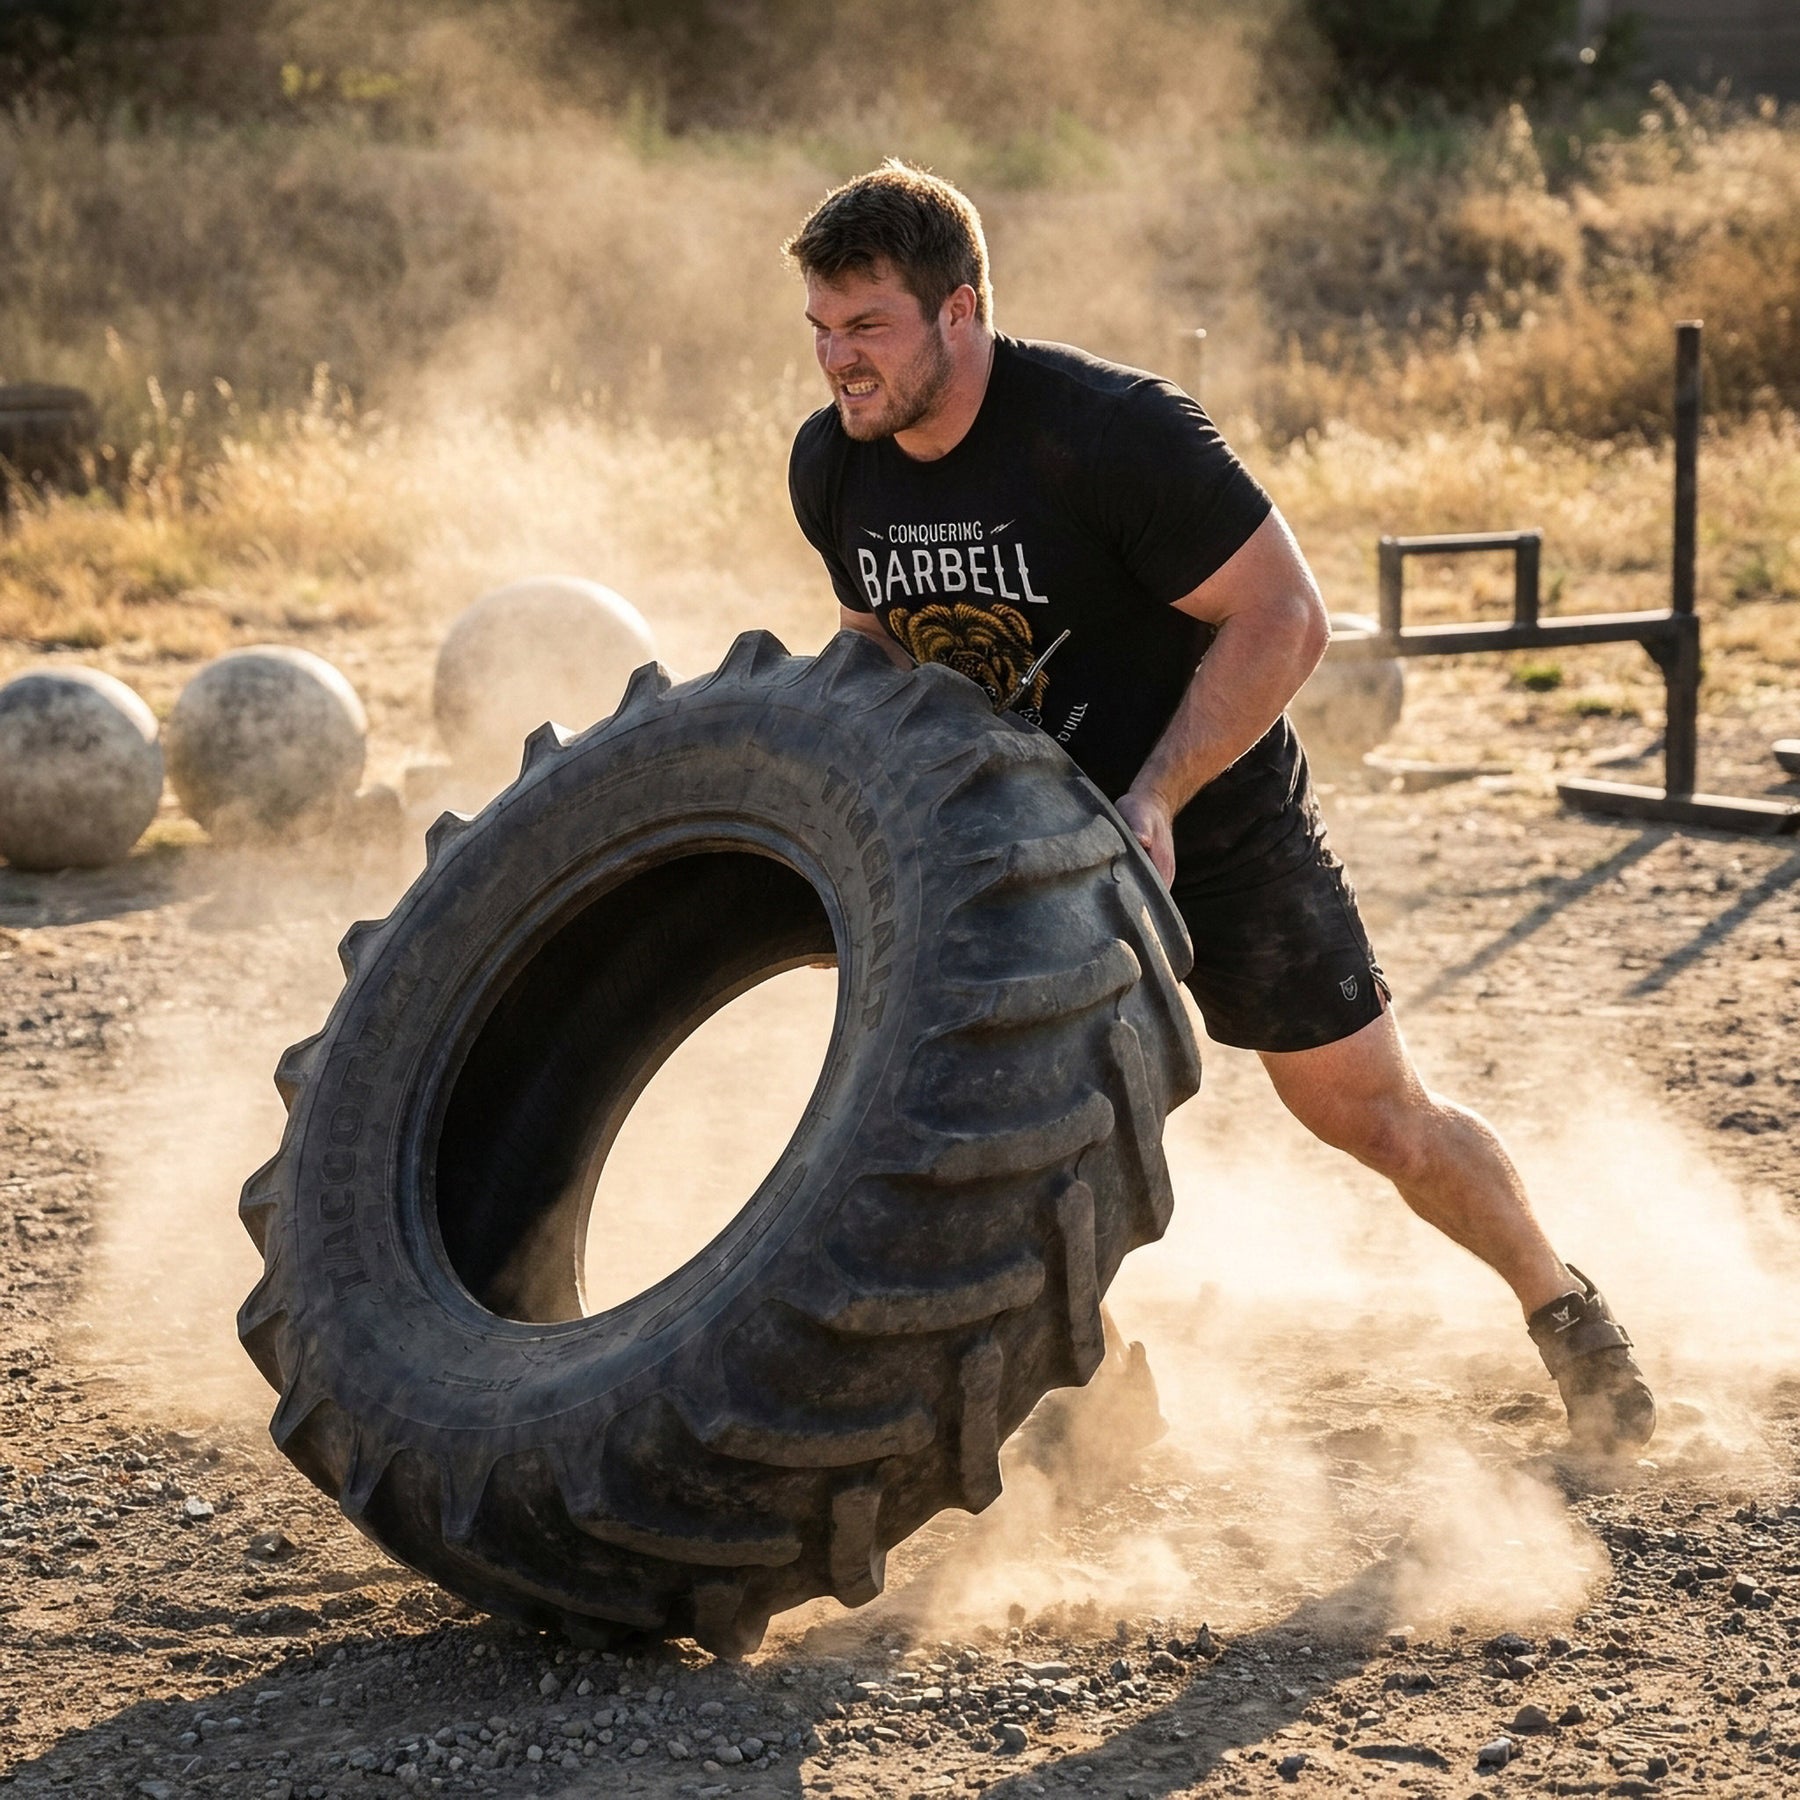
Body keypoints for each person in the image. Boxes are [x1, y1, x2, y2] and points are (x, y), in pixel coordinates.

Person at [781, 160, 1655, 1456]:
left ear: (959, 310)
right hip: (1019, 847)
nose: (837, 361)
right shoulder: (837, 465)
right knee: (989, 1141)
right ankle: (1099, 1393)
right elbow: (877, 651)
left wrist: (1158, 794)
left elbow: (1285, 615)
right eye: (820, 329)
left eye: (866, 326)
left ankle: (1566, 1310)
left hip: (1214, 819)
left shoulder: (1111, 434)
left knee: (1374, 1118)